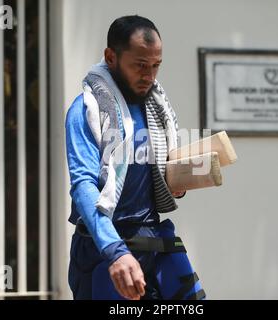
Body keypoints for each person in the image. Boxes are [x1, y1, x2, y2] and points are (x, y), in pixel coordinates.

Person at [65, 15, 205, 300]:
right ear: (111, 57)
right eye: (140, 65)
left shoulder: (155, 107)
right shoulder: (86, 110)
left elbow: (156, 173)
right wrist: (115, 252)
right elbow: (83, 186)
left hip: (155, 238)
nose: (150, 76)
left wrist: (176, 182)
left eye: (156, 66)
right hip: (104, 246)